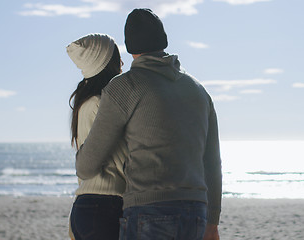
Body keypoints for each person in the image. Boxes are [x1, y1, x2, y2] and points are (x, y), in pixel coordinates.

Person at [75, 8, 222, 240]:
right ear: (163, 40)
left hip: (149, 210)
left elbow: (87, 166)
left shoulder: (125, 86)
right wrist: (212, 223)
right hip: (196, 212)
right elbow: (212, 163)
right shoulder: (199, 90)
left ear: (130, 47)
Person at [66, 33, 128, 240]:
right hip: (106, 207)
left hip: (87, 205)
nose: (122, 63)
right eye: (117, 58)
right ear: (106, 64)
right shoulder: (102, 105)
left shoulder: (85, 103)